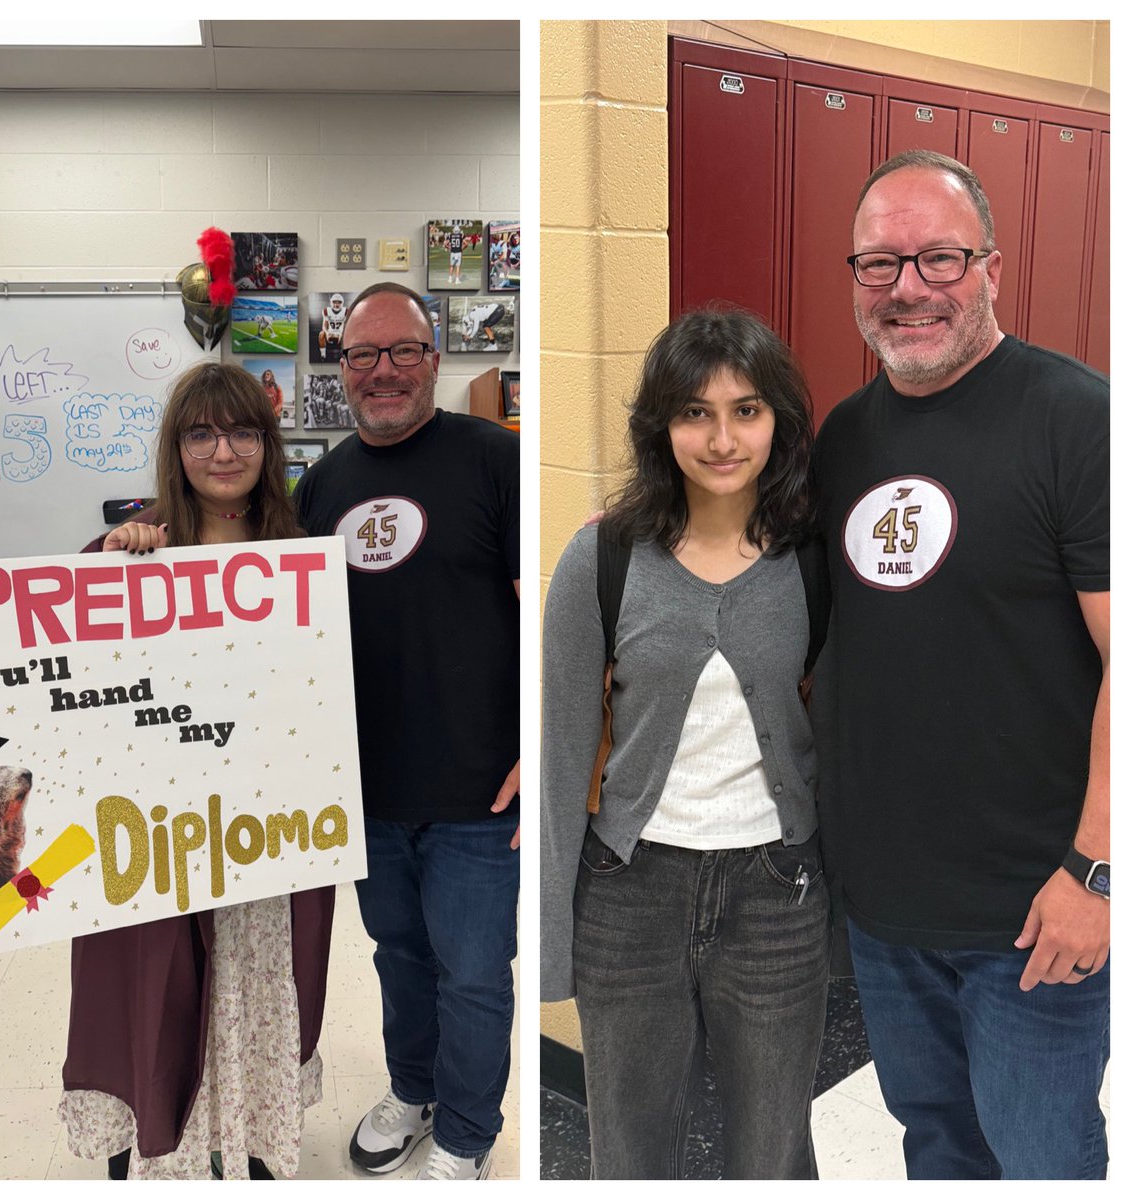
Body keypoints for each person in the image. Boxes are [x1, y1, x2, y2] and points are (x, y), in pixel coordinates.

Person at [812, 149, 1110, 1180]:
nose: (908, 289)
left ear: (991, 267)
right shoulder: (844, 439)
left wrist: (1097, 872)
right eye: (879, 264)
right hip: (889, 912)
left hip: (1032, 913)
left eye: (938, 258)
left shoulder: (1079, 419)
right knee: (937, 1147)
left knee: (1043, 1157)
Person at [541, 307, 830, 1179]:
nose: (721, 438)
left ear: (777, 420)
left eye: (746, 410)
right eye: (694, 413)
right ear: (660, 426)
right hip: (631, 893)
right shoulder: (602, 558)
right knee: (629, 1151)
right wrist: (553, 939)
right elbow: (557, 754)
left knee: (771, 1151)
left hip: (778, 893)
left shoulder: (813, 560)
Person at [59, 361, 337, 1180]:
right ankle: (158, 1136)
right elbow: (74, 679)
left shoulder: (298, 559)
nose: (224, 451)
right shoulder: (131, 552)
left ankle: (249, 1137)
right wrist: (113, 563)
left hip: (260, 832)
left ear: (268, 442)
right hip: (160, 832)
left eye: (243, 431)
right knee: (160, 986)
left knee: (253, 982)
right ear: (177, 447)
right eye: (202, 433)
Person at [292, 282, 519, 1181]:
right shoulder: (321, 486)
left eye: (402, 353)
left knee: (471, 976)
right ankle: (412, 1089)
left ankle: (465, 1134)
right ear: (341, 369)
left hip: (476, 795)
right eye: (362, 356)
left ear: (435, 359)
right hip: (370, 792)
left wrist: (535, 748)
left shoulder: (491, 459)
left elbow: (543, 614)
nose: (382, 373)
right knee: (398, 957)